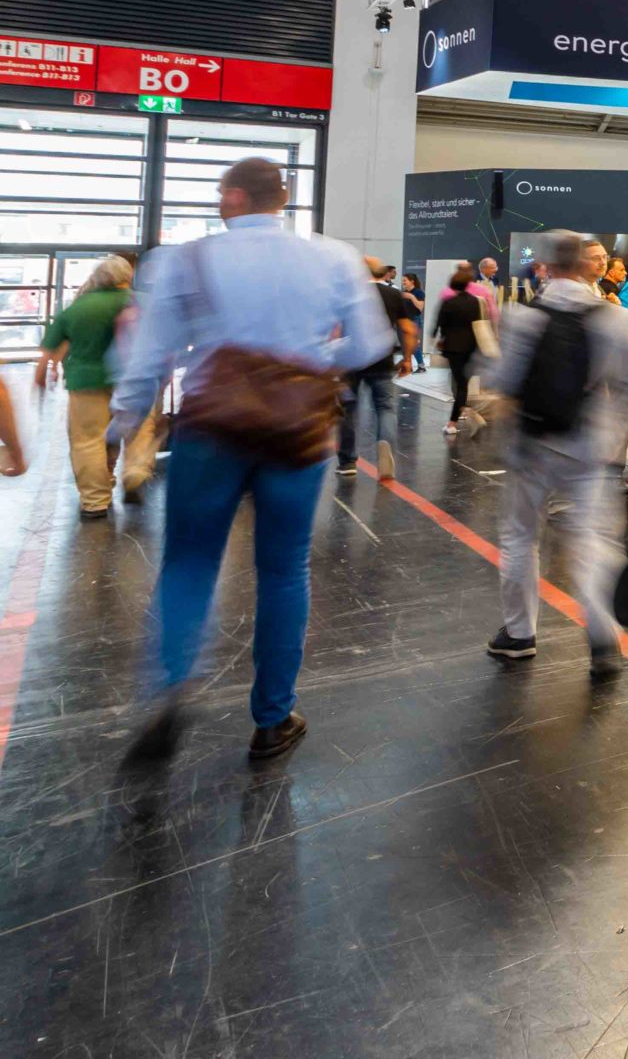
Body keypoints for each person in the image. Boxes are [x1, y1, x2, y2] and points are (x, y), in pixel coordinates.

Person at [113, 158, 392, 764]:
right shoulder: (334, 257)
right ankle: (273, 717)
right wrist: (311, 359)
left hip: (212, 428)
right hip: (297, 432)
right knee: (285, 570)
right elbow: (374, 342)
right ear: (283, 198)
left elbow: (153, 351)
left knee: (189, 562)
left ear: (233, 197)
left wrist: (125, 415)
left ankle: (170, 686)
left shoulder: (185, 260)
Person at [483, 230, 628, 675]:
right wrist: (614, 436)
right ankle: (603, 634)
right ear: (585, 264)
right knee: (591, 539)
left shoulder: (522, 318)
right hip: (588, 447)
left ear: (547, 267)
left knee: (521, 536)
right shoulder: (615, 319)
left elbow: (503, 380)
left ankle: (519, 634)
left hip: (531, 445)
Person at [44, 254, 154, 515]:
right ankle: (135, 471)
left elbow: (51, 345)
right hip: (134, 379)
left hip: (86, 381)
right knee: (139, 430)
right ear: (128, 276)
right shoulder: (145, 302)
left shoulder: (78, 307)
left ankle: (95, 501)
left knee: (88, 440)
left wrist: (45, 373)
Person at [338, 257, 418, 478]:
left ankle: (347, 462)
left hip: (351, 360)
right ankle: (385, 445)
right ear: (381, 273)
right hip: (382, 358)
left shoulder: (347, 294)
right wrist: (407, 359)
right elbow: (408, 330)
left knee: (348, 409)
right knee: (385, 407)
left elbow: (335, 329)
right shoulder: (393, 294)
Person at [432, 264, 485, 438]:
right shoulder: (476, 302)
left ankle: (453, 421)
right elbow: (478, 324)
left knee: (459, 383)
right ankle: (458, 416)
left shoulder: (448, 302)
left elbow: (439, 324)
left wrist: (438, 338)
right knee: (464, 384)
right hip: (471, 346)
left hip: (453, 347)